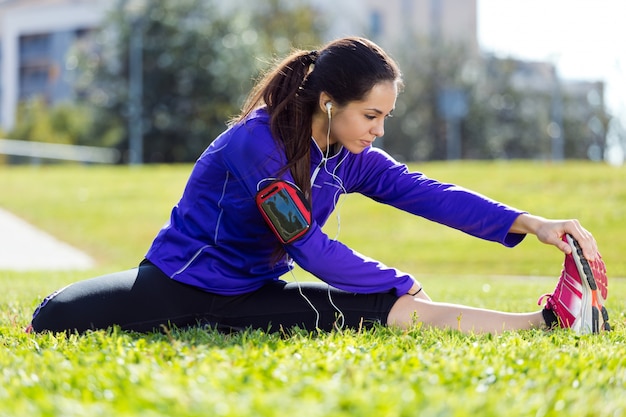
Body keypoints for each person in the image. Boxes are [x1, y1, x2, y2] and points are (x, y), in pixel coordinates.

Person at [28, 37, 609, 336]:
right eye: (371, 116)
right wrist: (401, 278)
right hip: (182, 283)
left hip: (254, 293)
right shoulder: (256, 148)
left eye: (386, 118)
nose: (379, 131)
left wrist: (531, 223)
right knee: (56, 317)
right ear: (329, 104)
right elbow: (308, 247)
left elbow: (427, 193)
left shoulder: (345, 151)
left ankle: (550, 323)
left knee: (388, 309)